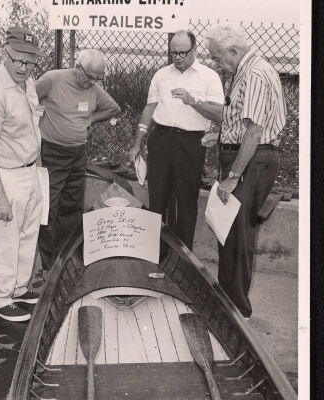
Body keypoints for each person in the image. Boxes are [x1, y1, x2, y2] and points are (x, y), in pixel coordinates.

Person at [204, 23, 287, 319]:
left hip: (251, 159)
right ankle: (227, 300)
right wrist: (221, 136)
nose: (217, 64)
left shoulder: (253, 73)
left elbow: (254, 131)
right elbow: (243, 122)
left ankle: (237, 311)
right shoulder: (247, 70)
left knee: (237, 234)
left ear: (232, 50)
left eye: (217, 58)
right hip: (247, 156)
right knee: (229, 230)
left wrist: (232, 177)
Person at [0, 27, 44, 322]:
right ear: (5, 53)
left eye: (30, 62)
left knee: (27, 235)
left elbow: (32, 128)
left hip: (30, 171)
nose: (24, 68)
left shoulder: (27, 83)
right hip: (5, 176)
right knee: (5, 241)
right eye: (19, 61)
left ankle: (18, 288)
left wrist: (38, 172)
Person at [129, 30, 224, 250]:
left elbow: (219, 113)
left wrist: (193, 101)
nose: (178, 57)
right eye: (174, 53)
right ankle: (156, 254)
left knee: (186, 201)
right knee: (157, 198)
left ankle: (183, 257)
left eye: (183, 52)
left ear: (194, 50)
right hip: (161, 139)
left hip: (190, 142)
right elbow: (150, 108)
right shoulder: (161, 75)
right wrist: (137, 143)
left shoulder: (208, 76)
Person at [36, 49, 121, 274]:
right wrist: (37, 120)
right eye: (90, 76)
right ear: (77, 67)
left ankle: (66, 257)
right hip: (52, 153)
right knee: (49, 206)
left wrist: (89, 119)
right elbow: (28, 99)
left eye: (97, 78)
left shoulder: (93, 88)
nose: (92, 82)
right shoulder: (52, 79)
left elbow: (114, 108)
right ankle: (48, 263)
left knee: (72, 205)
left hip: (77, 154)